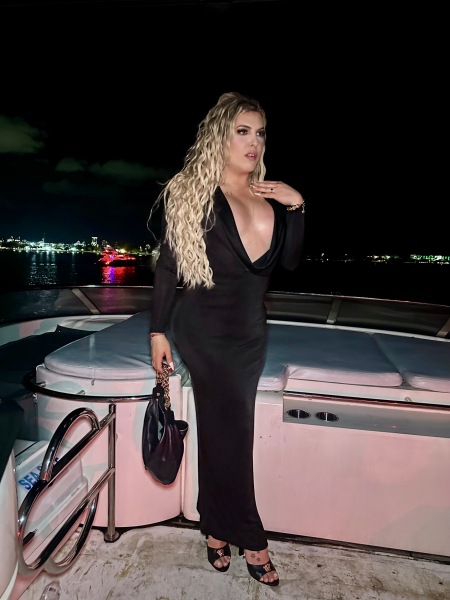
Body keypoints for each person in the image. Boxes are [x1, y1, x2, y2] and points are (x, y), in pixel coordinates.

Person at [148, 91, 305, 587]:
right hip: (204, 332)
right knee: (233, 434)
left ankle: (215, 527)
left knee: (222, 434)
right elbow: (169, 267)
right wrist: (157, 331)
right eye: (242, 131)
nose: (253, 142)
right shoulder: (195, 192)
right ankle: (252, 539)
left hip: (250, 335)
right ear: (220, 136)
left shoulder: (269, 200)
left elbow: (289, 263)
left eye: (260, 133)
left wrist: (297, 206)